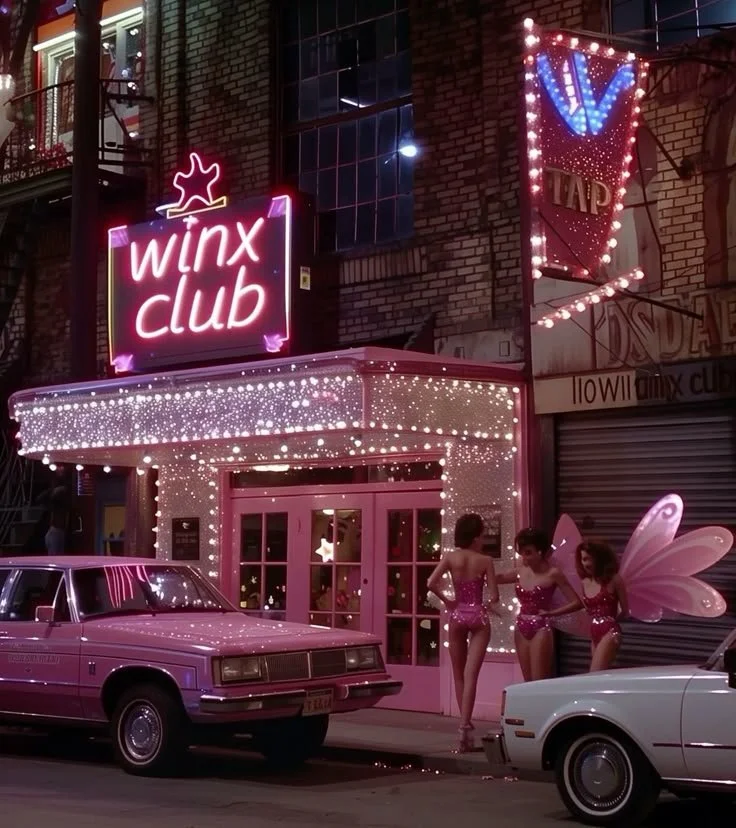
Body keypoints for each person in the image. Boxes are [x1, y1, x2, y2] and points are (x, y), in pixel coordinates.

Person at [427, 513, 500, 752]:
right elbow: (494, 596)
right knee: (471, 675)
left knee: (458, 675)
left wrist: (448, 601)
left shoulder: (451, 558)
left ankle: (464, 729)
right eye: (482, 535)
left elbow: (430, 583)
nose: (483, 540)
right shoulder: (485, 560)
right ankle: (465, 725)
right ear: (476, 537)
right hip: (478, 616)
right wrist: (487, 605)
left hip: (457, 615)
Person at [497, 528, 581, 682]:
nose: (524, 557)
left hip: (541, 628)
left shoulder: (553, 573)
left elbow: (577, 602)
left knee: (538, 680)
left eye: (528, 553)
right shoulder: (520, 571)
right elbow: (497, 578)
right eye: (522, 553)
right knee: (527, 681)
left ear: (540, 552)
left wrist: (551, 613)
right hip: (521, 626)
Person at [575, 540, 629, 672]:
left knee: (594, 672)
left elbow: (625, 611)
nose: (585, 563)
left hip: (610, 631)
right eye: (583, 559)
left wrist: (610, 621)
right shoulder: (584, 582)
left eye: (588, 559)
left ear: (599, 559)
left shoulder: (614, 579)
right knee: (600, 674)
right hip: (594, 632)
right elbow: (587, 609)